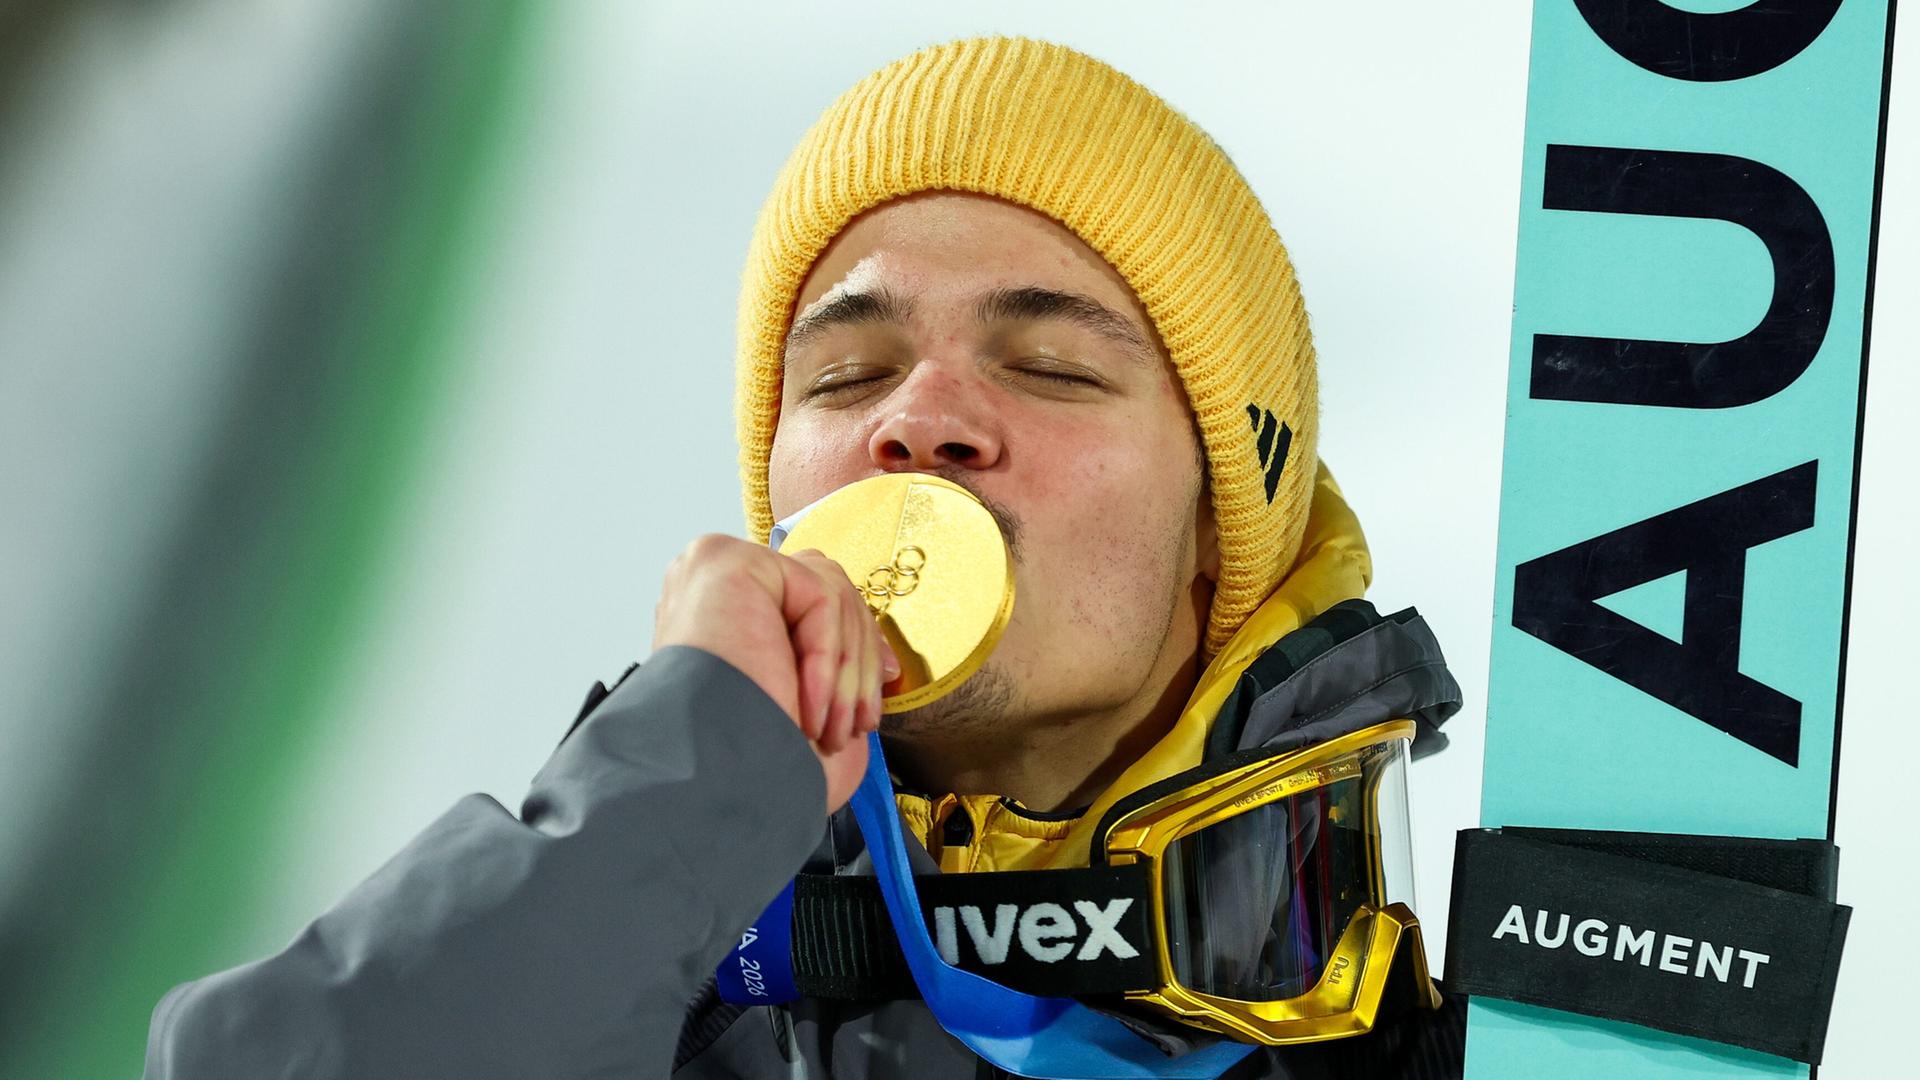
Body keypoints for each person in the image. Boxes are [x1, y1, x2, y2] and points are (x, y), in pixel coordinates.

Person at [145, 36, 1464, 1079]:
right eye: (846, 374)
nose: (918, 420)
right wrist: (672, 790)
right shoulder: (607, 1000)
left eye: (1053, 366)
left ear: (1227, 516)